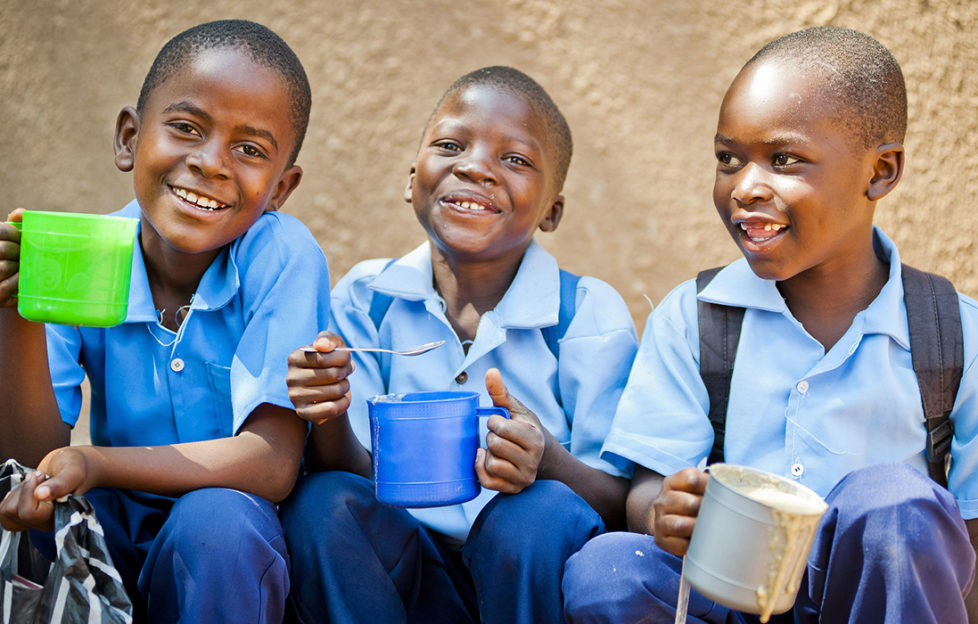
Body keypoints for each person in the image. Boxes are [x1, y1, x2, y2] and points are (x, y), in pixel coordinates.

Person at [561, 26, 978, 623]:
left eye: (784, 160)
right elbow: (649, 491)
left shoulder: (954, 335)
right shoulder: (696, 316)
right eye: (729, 159)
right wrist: (667, 511)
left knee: (894, 503)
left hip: (877, 602)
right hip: (728, 591)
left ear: (880, 172)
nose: (746, 187)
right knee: (609, 569)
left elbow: (970, 541)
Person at [281, 66, 639, 624]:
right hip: (407, 570)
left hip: (530, 578)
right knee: (321, 503)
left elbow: (622, 504)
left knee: (536, 515)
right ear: (411, 179)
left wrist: (546, 460)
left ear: (551, 211)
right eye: (451, 146)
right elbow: (350, 471)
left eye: (515, 160)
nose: (474, 167)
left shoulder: (584, 315)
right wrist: (329, 412)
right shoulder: (368, 297)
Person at [0, 20, 330, 622]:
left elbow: (272, 463)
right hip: (116, 526)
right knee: (41, 522)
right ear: (129, 137)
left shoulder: (282, 256)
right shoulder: (83, 258)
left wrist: (96, 463)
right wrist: (17, 313)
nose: (210, 163)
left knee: (215, 521)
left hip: (240, 545)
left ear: (281, 188)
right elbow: (29, 461)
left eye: (250, 149)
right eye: (186, 128)